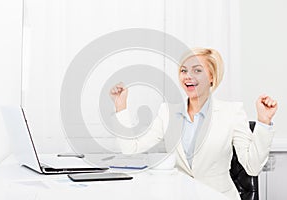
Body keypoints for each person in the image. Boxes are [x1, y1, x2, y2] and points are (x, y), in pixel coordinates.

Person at [109, 48, 278, 200]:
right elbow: (130, 148)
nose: (188, 76)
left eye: (197, 70)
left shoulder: (232, 112)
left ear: (212, 77)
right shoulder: (167, 112)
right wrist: (120, 106)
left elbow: (252, 167)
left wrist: (264, 122)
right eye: (184, 70)